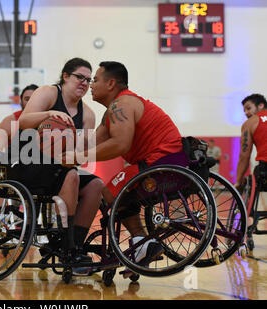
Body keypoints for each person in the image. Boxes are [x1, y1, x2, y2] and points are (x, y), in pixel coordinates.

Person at [81, 61, 187, 266]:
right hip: (161, 160)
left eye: (95, 80)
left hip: (163, 160)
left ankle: (141, 242)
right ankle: (142, 244)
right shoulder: (112, 110)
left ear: (111, 83)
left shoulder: (121, 104)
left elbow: (120, 145)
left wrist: (78, 157)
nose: (91, 85)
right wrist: (62, 149)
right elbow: (91, 144)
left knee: (110, 191)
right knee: (120, 192)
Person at [17, 57, 104, 262]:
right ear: (65, 76)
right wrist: (49, 114)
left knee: (96, 185)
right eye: (79, 77)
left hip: (60, 169)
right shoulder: (48, 93)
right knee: (71, 174)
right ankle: (66, 246)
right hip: (28, 163)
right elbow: (22, 122)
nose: (84, 82)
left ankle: (74, 245)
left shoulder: (88, 114)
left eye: (88, 79)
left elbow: (82, 154)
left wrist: (76, 150)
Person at [0, 84, 38, 186]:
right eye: (27, 99)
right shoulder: (10, 121)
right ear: (21, 102)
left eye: (34, 99)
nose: (30, 103)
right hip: (14, 170)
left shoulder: (49, 120)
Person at [235, 93, 267, 192]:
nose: (246, 113)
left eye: (248, 108)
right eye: (244, 110)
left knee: (256, 174)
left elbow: (244, 156)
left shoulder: (250, 123)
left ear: (261, 105)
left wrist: (238, 182)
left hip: (265, 168)